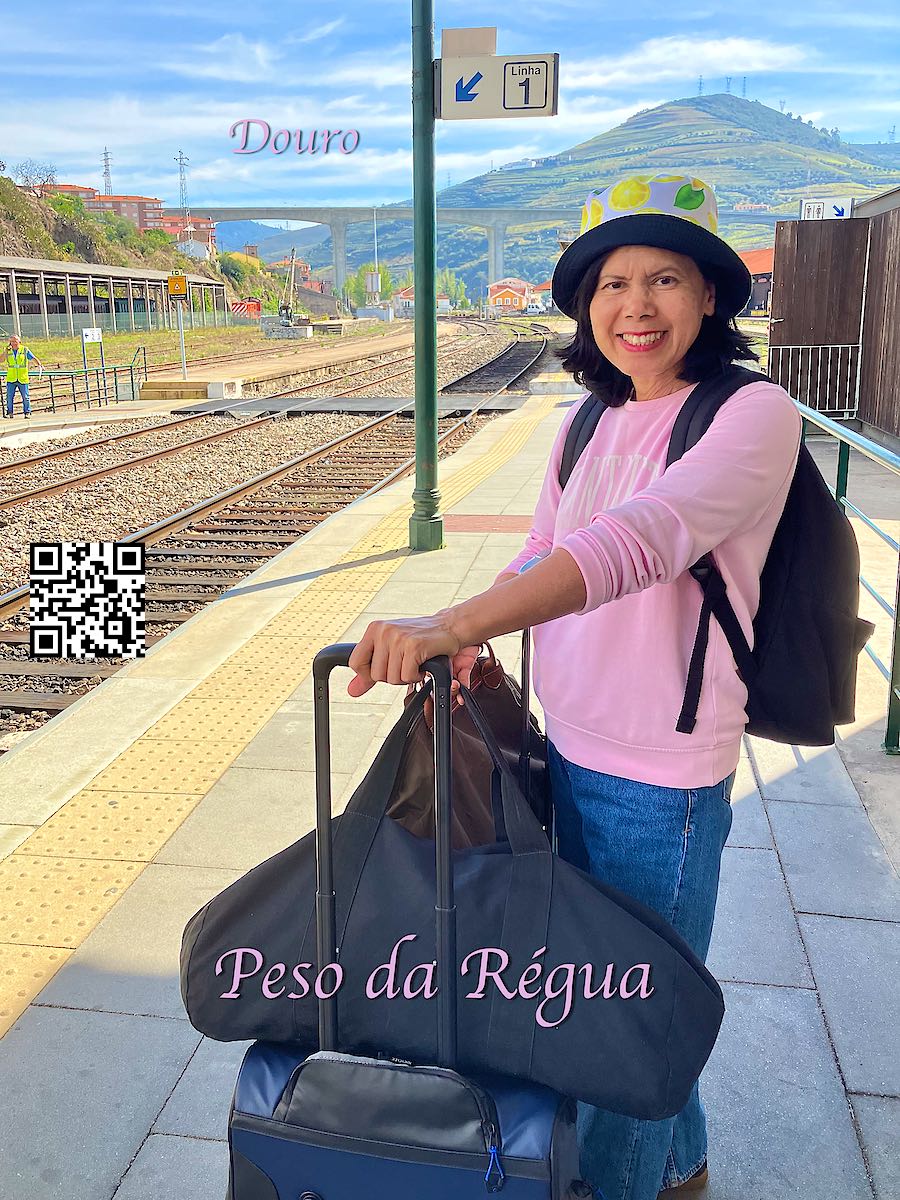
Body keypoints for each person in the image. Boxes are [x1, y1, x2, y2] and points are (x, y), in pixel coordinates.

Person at [347, 171, 802, 1200]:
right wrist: (475, 634)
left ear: (712, 299)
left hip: (662, 775)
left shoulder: (752, 414)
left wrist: (453, 621)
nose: (637, 306)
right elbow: (544, 553)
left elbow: (639, 543)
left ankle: (623, 1185)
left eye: (666, 279)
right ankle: (679, 1168)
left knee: (624, 1014)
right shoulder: (587, 422)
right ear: (586, 306)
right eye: (613, 283)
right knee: (617, 987)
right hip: (569, 741)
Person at [4, 334, 43, 419]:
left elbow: (33, 358)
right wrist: (5, 352)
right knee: (9, 396)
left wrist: (39, 365)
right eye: (11, 341)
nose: (13, 343)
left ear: (19, 341)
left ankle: (27, 412)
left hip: (22, 377)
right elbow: (1, 360)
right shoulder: (8, 350)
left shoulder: (24, 350)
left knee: (25, 397)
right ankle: (9, 412)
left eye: (15, 341)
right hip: (11, 377)